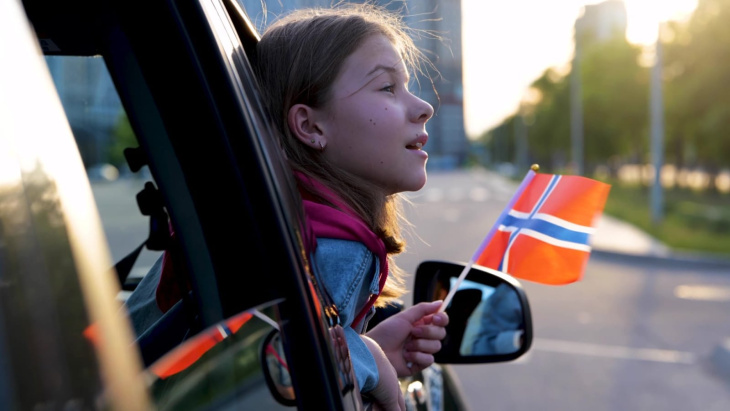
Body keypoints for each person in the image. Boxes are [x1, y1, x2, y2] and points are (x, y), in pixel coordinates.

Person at [253, 3, 448, 410]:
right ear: (310, 126)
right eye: (387, 88)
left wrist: (366, 349)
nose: (423, 107)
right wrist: (378, 368)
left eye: (407, 85)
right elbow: (294, 369)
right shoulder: (337, 251)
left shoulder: (282, 225)